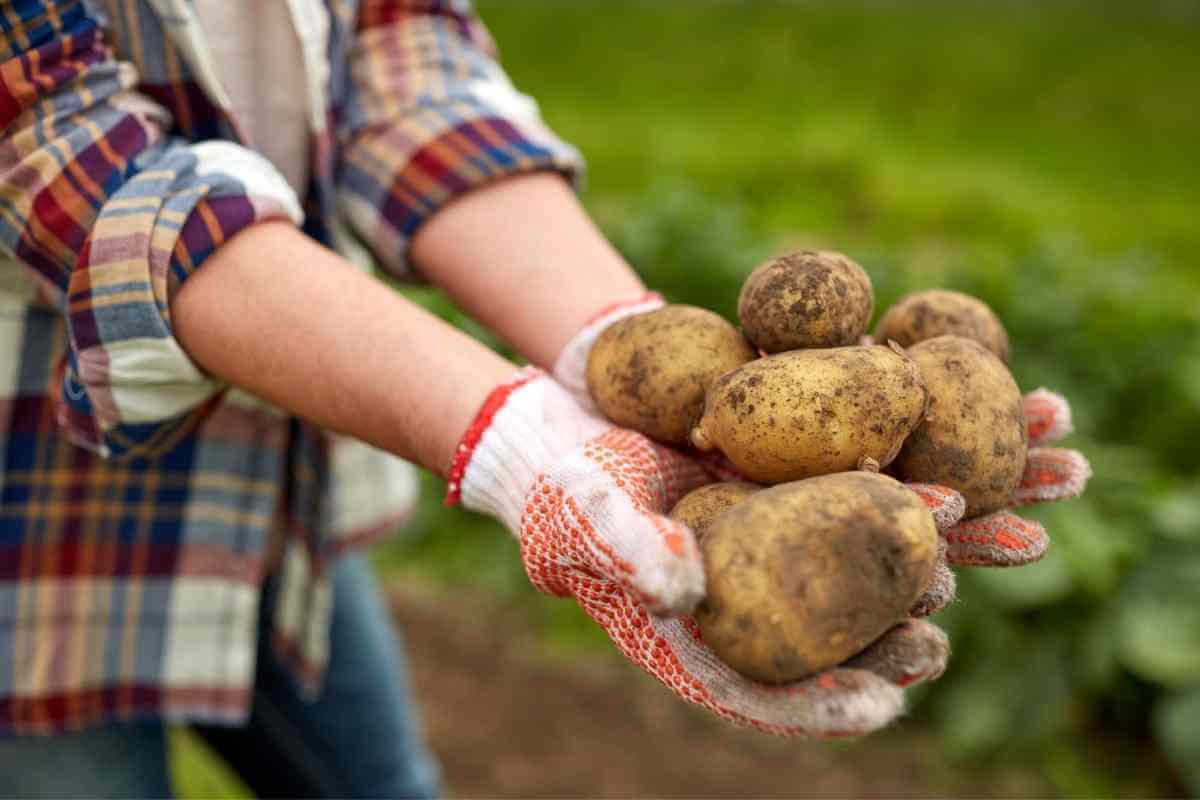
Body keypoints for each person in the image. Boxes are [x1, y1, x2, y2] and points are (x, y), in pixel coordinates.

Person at [0, 1, 1091, 797]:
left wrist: (598, 339)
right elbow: (68, 156)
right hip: (40, 539)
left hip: (279, 494)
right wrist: (518, 440)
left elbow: (401, 55)